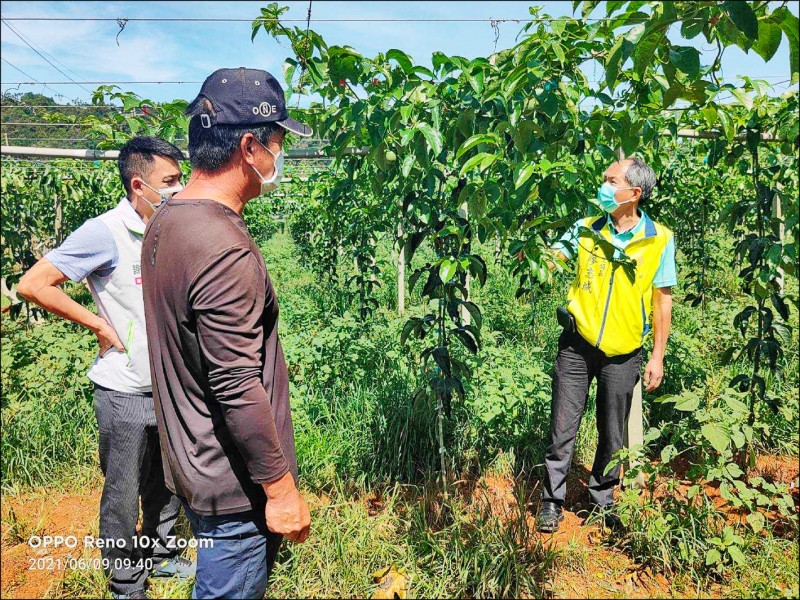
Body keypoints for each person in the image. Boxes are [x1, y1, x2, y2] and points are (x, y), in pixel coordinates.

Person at [140, 67, 313, 599]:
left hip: (195, 464)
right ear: (248, 147)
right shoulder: (223, 247)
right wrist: (281, 491)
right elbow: (236, 382)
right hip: (233, 486)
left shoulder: (166, 220)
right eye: (277, 142)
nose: (278, 157)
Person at [18, 136, 195, 599]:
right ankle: (125, 581)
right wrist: (97, 322)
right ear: (139, 185)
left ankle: (161, 558)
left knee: (169, 483)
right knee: (122, 491)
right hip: (125, 390)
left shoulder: (173, 225)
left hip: (172, 388)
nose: (180, 189)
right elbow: (34, 284)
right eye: (170, 182)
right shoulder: (105, 232)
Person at [536, 157, 677, 533]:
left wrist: (658, 355)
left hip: (624, 352)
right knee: (562, 429)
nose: (602, 185)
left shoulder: (659, 238)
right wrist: (530, 251)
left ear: (633, 193)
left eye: (609, 180)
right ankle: (552, 501)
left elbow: (662, 300)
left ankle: (601, 500)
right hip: (577, 345)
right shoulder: (585, 228)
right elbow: (546, 261)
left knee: (613, 434)